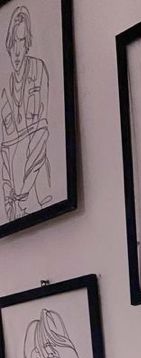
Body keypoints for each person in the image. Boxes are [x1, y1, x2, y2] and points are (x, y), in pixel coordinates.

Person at [1, 6, 51, 223]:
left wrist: (21, 195)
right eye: (14, 43)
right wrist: (8, 191)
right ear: (8, 46)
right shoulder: (5, 90)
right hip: (17, 180)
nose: (18, 51)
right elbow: (6, 149)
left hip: (36, 183)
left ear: (28, 42)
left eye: (22, 41)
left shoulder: (39, 70)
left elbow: (41, 133)